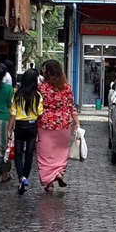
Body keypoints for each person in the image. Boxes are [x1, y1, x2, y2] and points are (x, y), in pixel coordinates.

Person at [36, 58, 79, 192]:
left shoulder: (42, 88)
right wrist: (77, 123)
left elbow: (37, 106)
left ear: (48, 72)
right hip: (64, 124)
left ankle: (49, 182)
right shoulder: (66, 87)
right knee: (61, 151)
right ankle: (59, 172)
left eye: (44, 69)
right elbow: (72, 106)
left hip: (46, 123)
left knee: (45, 152)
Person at [9, 67, 43, 194]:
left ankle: (21, 178)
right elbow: (40, 112)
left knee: (18, 153)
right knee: (29, 154)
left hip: (19, 126)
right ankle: (25, 178)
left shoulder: (17, 95)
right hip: (32, 126)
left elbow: (13, 113)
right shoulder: (37, 96)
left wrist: (9, 129)